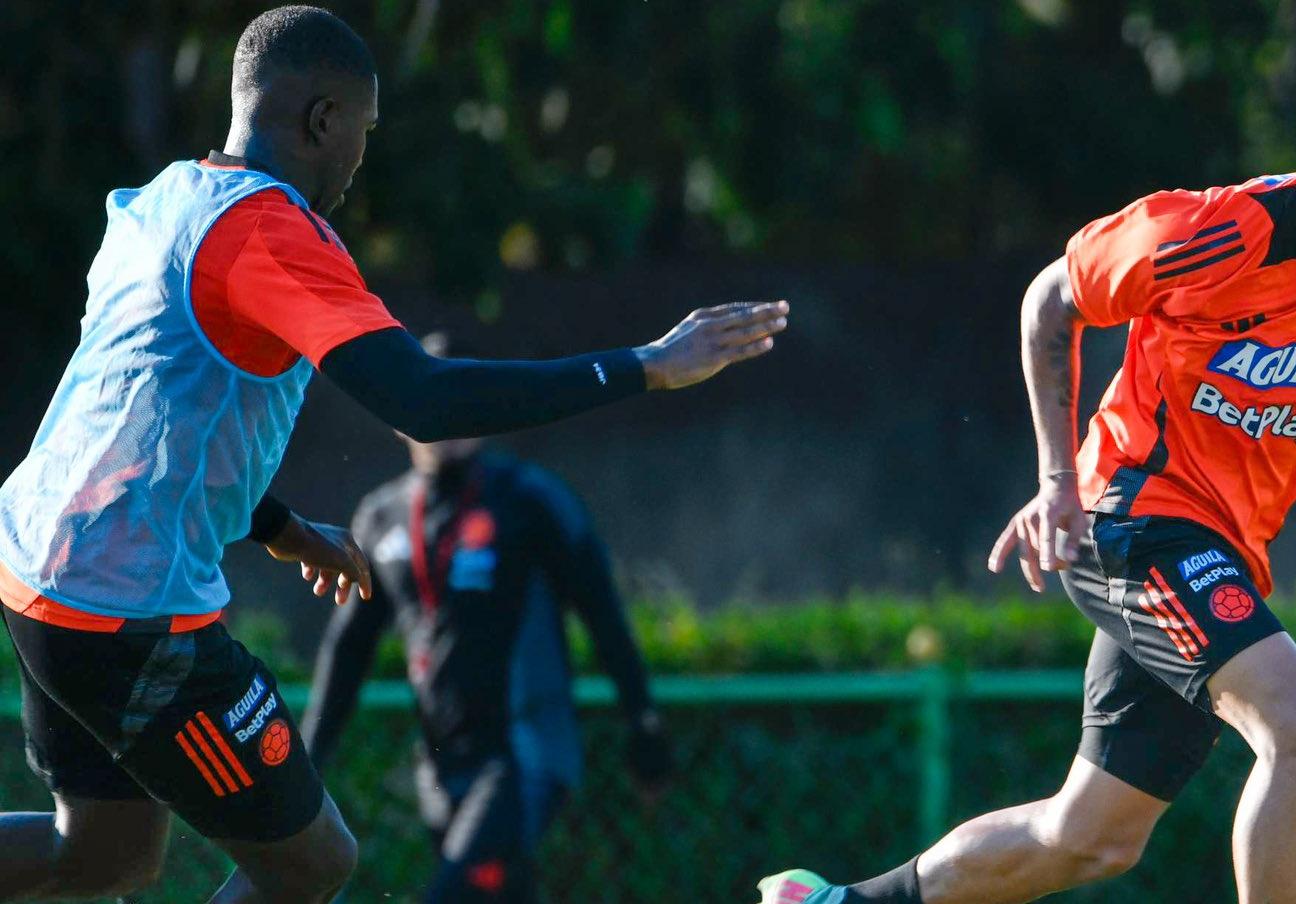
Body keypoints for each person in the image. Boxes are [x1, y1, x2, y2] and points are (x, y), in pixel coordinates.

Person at [0, 6, 785, 902]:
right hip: (122, 616)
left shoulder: (164, 199)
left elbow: (134, 425)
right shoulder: (268, 233)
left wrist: (282, 527)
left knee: (101, 858)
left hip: (35, 571)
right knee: (311, 864)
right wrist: (644, 366)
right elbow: (423, 399)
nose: (360, 160)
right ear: (322, 119)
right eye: (362, 133)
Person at [762, 75, 1296, 904]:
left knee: (1090, 838)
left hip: (1224, 553)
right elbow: (1050, 301)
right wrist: (1055, 482)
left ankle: (836, 903)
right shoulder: (1213, 233)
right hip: (1134, 521)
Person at [302, 335, 671, 902]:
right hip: (441, 769)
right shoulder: (380, 517)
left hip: (524, 758)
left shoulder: (528, 500)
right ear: (401, 419)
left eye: (466, 400)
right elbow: (347, 651)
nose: (452, 419)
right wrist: (307, 762)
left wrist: (644, 729)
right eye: (438, 399)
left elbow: (603, 615)